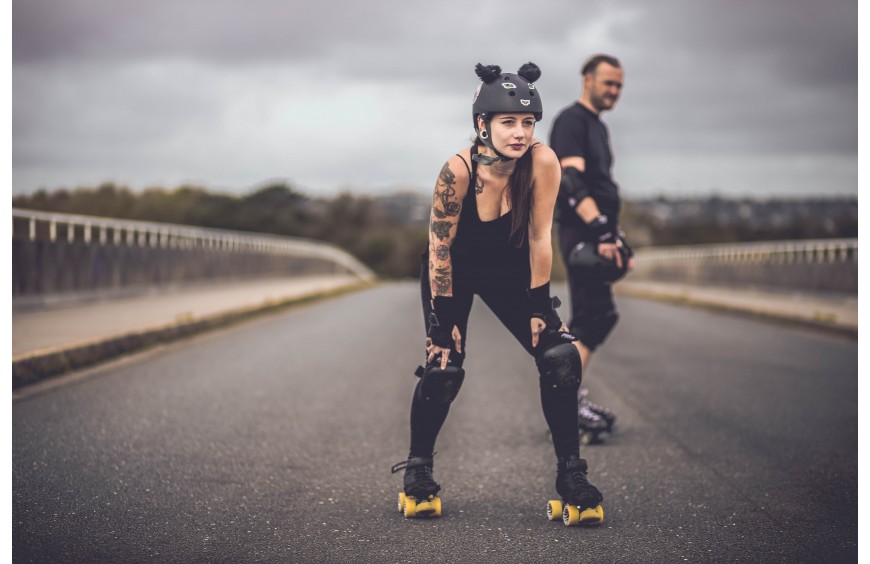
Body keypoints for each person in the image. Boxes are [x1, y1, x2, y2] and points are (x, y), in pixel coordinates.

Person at [391, 62, 604, 526]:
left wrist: (538, 305)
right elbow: (439, 250)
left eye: (528, 122)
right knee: (445, 368)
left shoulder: (542, 162)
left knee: (560, 356)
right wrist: (441, 323)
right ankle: (419, 470)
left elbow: (539, 238)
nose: (520, 132)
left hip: (511, 270)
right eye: (509, 122)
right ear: (483, 124)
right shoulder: (458, 171)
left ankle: (572, 477)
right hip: (454, 271)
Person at [549, 54, 633, 444]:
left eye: (619, 85)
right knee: (590, 315)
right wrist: (600, 229)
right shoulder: (572, 121)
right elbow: (570, 181)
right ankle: (564, 403)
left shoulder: (598, 127)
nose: (614, 91)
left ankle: (569, 397)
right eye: (608, 83)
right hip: (581, 232)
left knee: (599, 316)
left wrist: (613, 235)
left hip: (597, 232)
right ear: (587, 80)